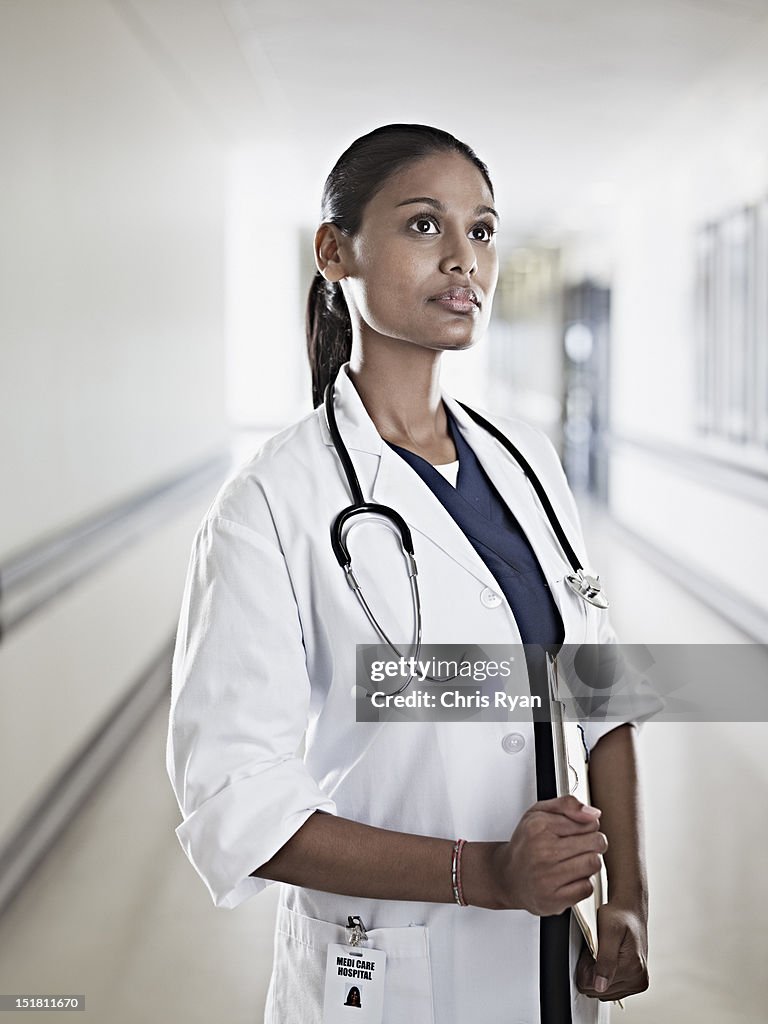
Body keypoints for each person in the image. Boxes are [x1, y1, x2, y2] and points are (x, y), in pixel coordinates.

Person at [166, 124, 649, 1024]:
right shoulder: (270, 504)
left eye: (484, 230)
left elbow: (600, 689)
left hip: (550, 960)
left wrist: (629, 892)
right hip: (393, 973)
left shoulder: (525, 462)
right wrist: (484, 873)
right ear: (334, 250)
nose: (465, 259)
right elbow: (237, 804)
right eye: (425, 226)